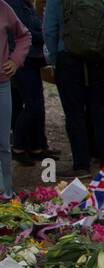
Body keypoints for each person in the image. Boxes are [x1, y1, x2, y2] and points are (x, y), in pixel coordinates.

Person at [45, 0, 104, 177]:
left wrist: (56, 60)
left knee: (74, 114)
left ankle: (81, 165)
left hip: (69, 60)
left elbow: (50, 31)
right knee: (101, 112)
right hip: (100, 61)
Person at [8, 0, 51, 167]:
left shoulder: (26, 5)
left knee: (37, 104)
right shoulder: (14, 5)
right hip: (22, 60)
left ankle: (35, 147)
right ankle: (18, 147)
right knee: (32, 105)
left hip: (33, 59)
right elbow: (26, 34)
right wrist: (47, 34)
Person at [0, 0, 30, 197]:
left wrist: (15, 59)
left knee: (3, 144)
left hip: (1, 84)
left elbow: (24, 35)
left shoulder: (3, 7)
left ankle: (7, 194)